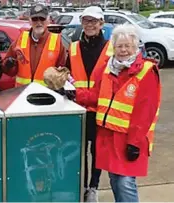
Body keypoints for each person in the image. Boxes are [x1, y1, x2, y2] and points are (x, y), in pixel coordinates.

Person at [77, 24, 161, 202]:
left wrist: (135, 143)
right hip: (108, 138)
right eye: (119, 46)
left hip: (128, 140)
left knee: (125, 182)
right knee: (116, 180)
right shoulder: (107, 69)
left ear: (135, 47)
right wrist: (72, 93)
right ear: (113, 47)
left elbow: (145, 111)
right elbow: (95, 96)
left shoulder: (146, 71)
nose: (123, 50)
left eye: (127, 46)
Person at [66, 6, 113, 202]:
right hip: (78, 109)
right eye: (86, 21)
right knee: (79, 151)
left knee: (97, 151)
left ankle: (93, 187)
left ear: (101, 23)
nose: (90, 25)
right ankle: (82, 185)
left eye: (93, 21)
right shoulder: (74, 46)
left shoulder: (110, 48)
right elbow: (67, 73)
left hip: (100, 109)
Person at [2, 3, 67, 87]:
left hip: (46, 95)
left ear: (48, 20)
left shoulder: (57, 41)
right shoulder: (20, 39)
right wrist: (9, 65)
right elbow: (8, 70)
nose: (38, 22)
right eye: (35, 19)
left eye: (42, 19)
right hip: (23, 94)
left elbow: (63, 72)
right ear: (30, 21)